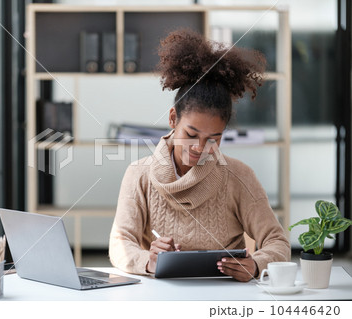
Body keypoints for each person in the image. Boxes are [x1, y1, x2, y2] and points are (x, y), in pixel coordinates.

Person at [108, 29, 290, 282]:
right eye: (191, 134)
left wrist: (257, 265)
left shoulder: (239, 176)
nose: (199, 148)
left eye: (213, 138)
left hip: (226, 293)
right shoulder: (139, 174)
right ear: (173, 118)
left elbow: (277, 242)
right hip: (158, 292)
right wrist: (148, 261)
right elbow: (120, 243)